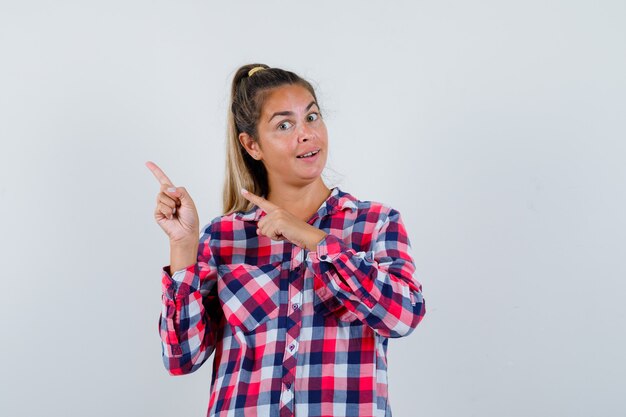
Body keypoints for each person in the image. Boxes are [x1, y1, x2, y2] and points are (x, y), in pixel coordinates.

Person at [146, 63, 425, 417]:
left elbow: (404, 317)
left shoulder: (375, 224)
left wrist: (314, 240)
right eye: (284, 125)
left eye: (312, 117)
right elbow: (180, 358)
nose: (306, 134)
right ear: (252, 145)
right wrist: (183, 247)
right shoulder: (224, 238)